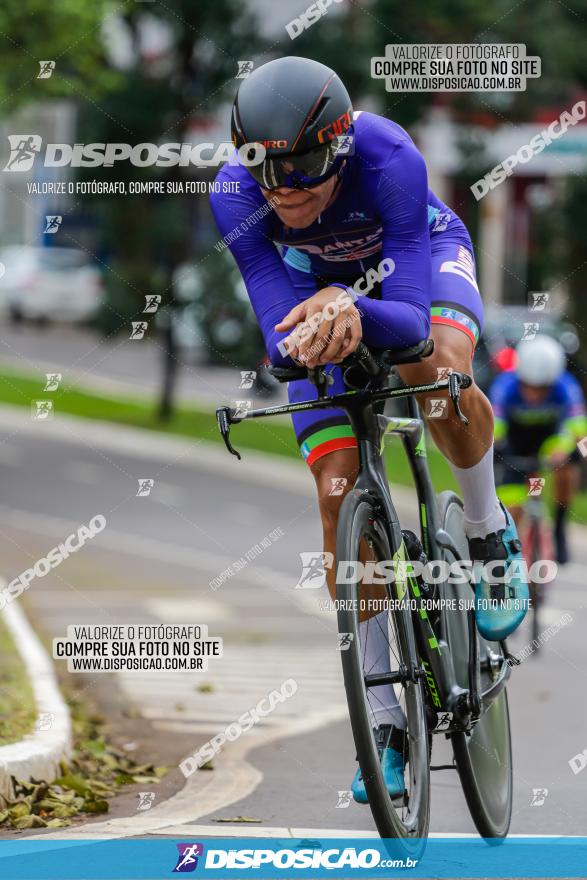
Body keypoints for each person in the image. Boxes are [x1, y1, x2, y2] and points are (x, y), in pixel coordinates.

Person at [210, 56, 529, 804]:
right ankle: (384, 723)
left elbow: (413, 322)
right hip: (315, 297)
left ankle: (485, 528)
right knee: (334, 491)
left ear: (341, 144)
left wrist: (350, 309)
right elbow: (274, 338)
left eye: (306, 164)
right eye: (264, 166)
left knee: (437, 371)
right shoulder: (234, 196)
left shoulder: (389, 158)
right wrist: (316, 325)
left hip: (412, 270)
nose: (284, 186)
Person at [491, 334, 587, 565]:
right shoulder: (504, 386)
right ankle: (510, 557)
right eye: (528, 387)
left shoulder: (567, 386)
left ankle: (559, 527)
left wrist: (576, 452)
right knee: (513, 506)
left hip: (550, 440)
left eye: (542, 389)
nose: (534, 395)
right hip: (515, 441)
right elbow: (495, 428)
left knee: (567, 468)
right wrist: (497, 447)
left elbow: (579, 429)